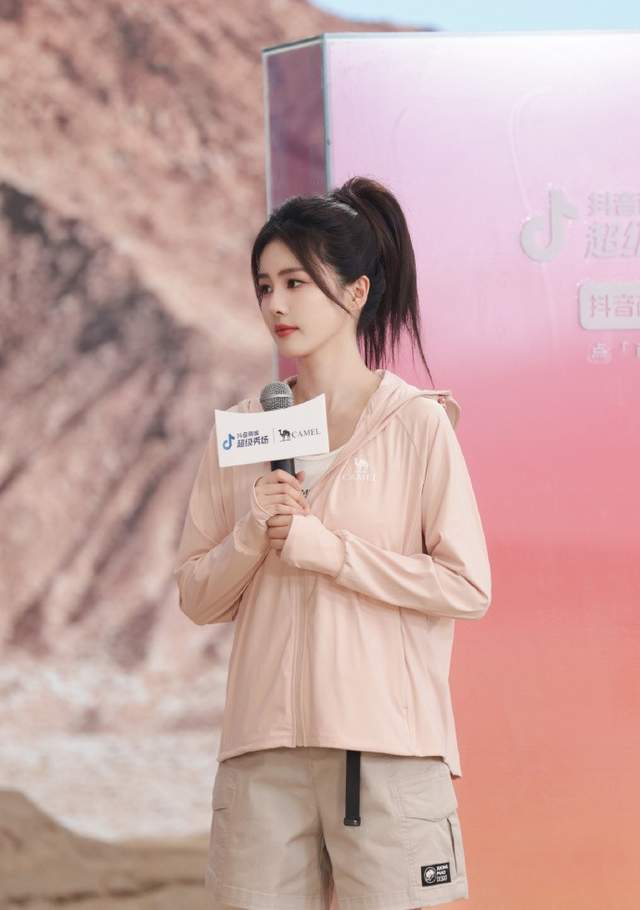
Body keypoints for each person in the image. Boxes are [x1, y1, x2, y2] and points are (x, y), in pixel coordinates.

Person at [173, 176, 492, 910]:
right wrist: (251, 535)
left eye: (295, 282)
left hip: (384, 751)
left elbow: (467, 585)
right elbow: (195, 595)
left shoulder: (415, 424)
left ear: (355, 292)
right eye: (264, 286)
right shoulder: (245, 432)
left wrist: (334, 554)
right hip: (262, 759)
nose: (275, 305)